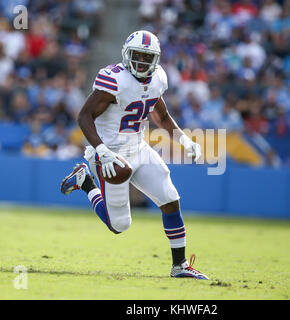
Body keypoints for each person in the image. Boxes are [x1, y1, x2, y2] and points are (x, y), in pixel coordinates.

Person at [60, 30, 208, 280]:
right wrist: (101, 149)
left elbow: (159, 114)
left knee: (170, 199)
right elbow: (84, 116)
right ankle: (85, 182)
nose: (141, 62)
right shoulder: (114, 79)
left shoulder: (158, 78)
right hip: (111, 154)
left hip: (139, 148)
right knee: (119, 226)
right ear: (126, 55)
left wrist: (183, 138)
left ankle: (180, 265)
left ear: (157, 59)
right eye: (136, 56)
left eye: (147, 57)